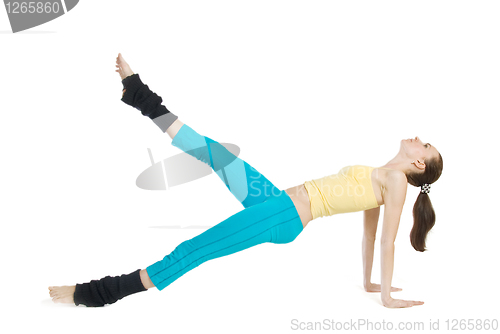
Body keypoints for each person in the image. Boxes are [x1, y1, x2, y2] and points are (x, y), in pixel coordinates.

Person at [48, 53, 443, 309]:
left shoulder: (396, 183)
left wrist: (387, 295)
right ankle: (141, 96)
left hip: (283, 218)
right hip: (273, 200)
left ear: (419, 165)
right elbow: (369, 238)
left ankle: (98, 293)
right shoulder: (380, 174)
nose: (417, 139)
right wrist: (369, 282)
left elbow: (388, 241)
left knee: (193, 250)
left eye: (423, 146)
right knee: (216, 153)